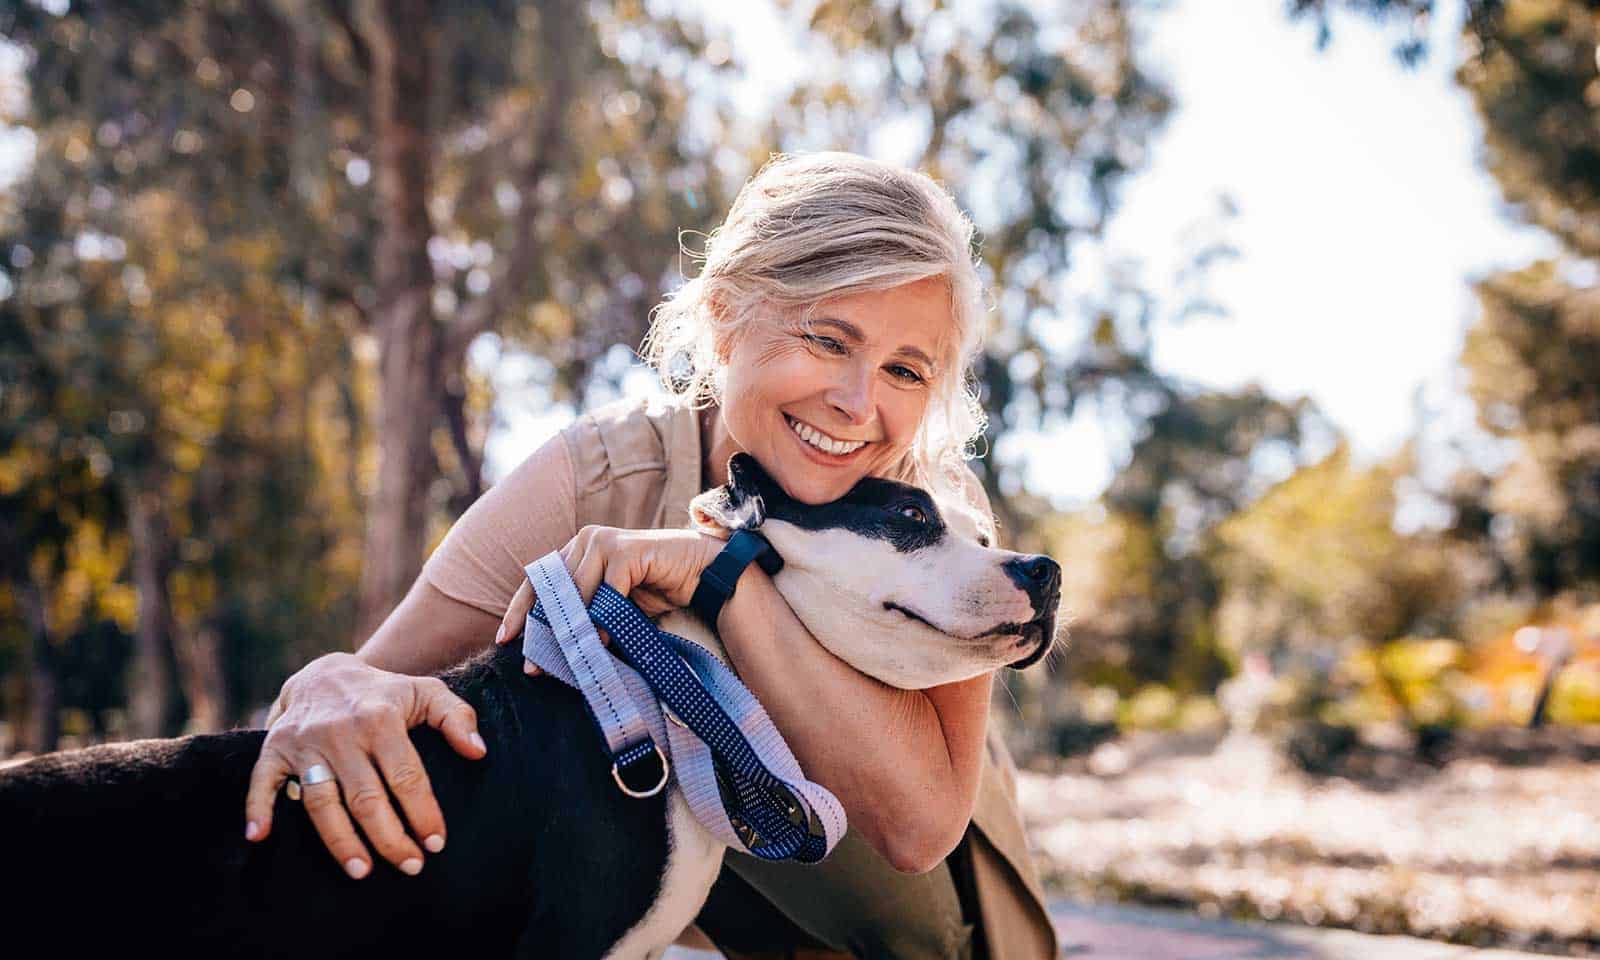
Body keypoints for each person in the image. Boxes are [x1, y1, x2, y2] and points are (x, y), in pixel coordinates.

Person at [243, 151, 1058, 959]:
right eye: (828, 339)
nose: (856, 404)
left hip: (924, 932)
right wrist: (327, 685)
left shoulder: (940, 519)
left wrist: (723, 580)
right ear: (728, 317)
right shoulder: (598, 474)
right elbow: (379, 677)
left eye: (905, 371)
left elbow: (915, 832)